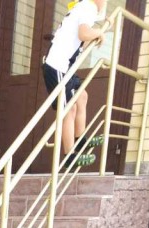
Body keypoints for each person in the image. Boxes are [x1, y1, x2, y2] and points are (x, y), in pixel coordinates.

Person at [42, 0, 107, 167]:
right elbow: (84, 34)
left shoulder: (84, 8)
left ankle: (80, 139)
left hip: (65, 67)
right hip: (56, 66)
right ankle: (69, 156)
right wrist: (99, 32)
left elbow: (81, 42)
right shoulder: (88, 7)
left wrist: (99, 32)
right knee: (68, 110)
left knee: (82, 96)